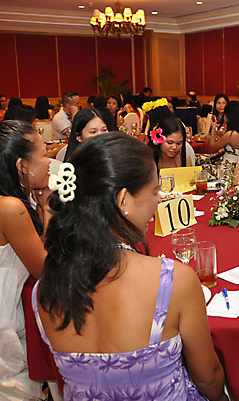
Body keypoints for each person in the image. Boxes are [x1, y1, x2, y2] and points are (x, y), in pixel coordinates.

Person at [34, 133, 227, 400]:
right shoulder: (173, 280)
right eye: (155, 191)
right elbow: (208, 377)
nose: (158, 201)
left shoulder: (45, 288)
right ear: (123, 200)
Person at [0, 120, 51, 400]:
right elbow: (44, 267)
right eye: (43, 154)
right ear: (22, 166)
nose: (49, 160)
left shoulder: (14, 197)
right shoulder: (10, 207)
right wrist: (48, 208)